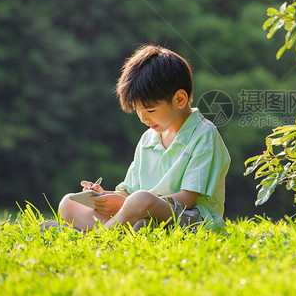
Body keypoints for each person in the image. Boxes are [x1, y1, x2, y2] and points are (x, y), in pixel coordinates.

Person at [56, 44, 231, 232]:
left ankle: (99, 238)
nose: (143, 118)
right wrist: (104, 197)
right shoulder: (149, 138)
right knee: (68, 203)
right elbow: (129, 190)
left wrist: (130, 205)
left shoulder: (204, 134)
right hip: (142, 215)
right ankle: (118, 229)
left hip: (191, 220)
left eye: (150, 110)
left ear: (180, 99)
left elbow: (187, 199)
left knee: (141, 200)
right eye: (138, 110)